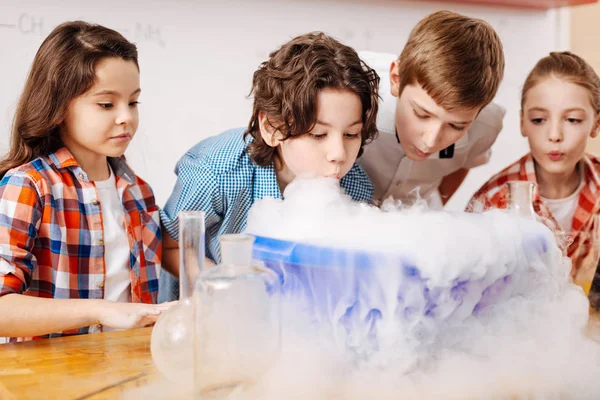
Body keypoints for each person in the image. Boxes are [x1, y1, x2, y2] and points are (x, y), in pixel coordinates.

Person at [158, 32, 379, 302]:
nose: (339, 154)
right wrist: (231, 289)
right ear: (271, 128)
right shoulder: (217, 171)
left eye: (351, 134)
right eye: (319, 135)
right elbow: (171, 246)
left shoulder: (354, 184)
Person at [0, 21, 170, 341]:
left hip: (127, 378)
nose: (126, 117)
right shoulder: (28, 186)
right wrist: (100, 309)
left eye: (133, 102)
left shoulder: (138, 192)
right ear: (60, 107)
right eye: (106, 104)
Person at [468, 51, 600, 308]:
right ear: (522, 123)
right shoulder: (493, 201)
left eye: (572, 119)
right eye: (538, 120)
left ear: (595, 124)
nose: (554, 135)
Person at [359, 10, 506, 208]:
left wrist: (437, 206)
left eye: (456, 126)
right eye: (421, 114)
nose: (430, 142)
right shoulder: (350, 89)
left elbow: (465, 161)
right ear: (396, 79)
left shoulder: (487, 124)